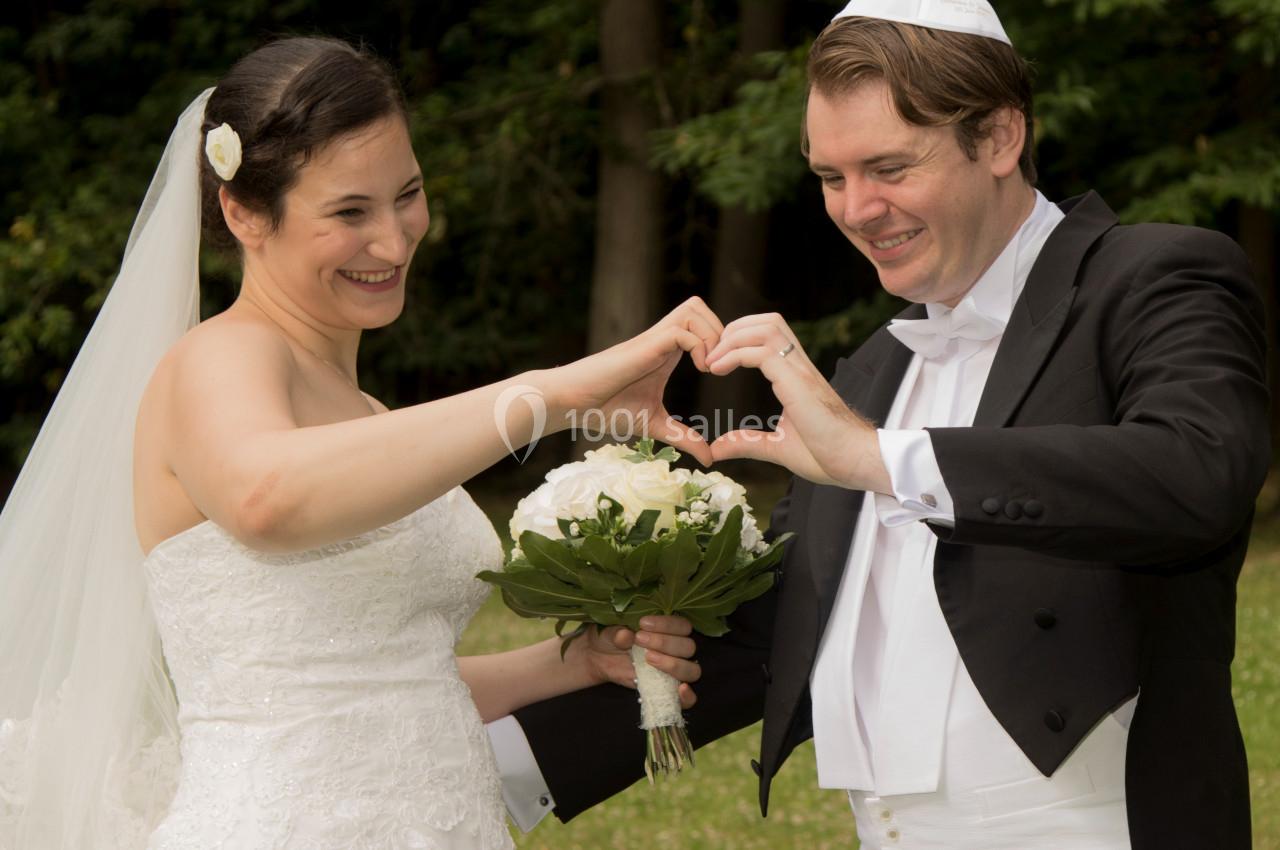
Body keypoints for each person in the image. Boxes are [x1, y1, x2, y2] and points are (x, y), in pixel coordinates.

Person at [507, 2, 1270, 849]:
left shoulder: (1154, 274)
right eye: (831, 178)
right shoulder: (874, 364)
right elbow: (789, 629)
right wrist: (501, 764)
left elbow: (1199, 472)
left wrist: (880, 457)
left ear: (1001, 136)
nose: (858, 208)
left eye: (889, 167)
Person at [0, 37, 710, 849]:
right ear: (243, 214)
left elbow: (379, 681)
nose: (394, 239)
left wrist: (574, 664)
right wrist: (547, 396)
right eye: (349, 212)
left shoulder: (368, 411)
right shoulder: (218, 358)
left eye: (406, 195)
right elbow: (267, 500)